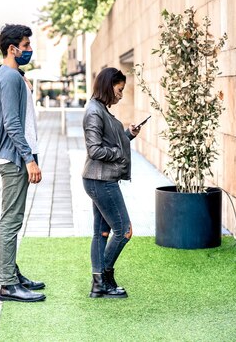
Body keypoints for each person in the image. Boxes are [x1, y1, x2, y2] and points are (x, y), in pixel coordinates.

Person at [0, 24, 45, 302]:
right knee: (11, 220)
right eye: (26, 46)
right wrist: (29, 159)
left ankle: (12, 272)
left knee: (13, 218)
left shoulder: (12, 76)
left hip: (14, 157)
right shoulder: (9, 77)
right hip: (13, 159)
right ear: (12, 49)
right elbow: (12, 123)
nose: (29, 50)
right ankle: (8, 284)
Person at [82, 67, 141, 298]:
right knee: (124, 230)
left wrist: (128, 135)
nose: (121, 95)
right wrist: (119, 152)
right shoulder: (94, 112)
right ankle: (103, 278)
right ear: (109, 86)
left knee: (101, 233)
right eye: (119, 89)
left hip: (100, 178)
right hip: (100, 180)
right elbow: (95, 149)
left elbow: (108, 141)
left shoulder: (100, 110)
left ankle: (100, 284)